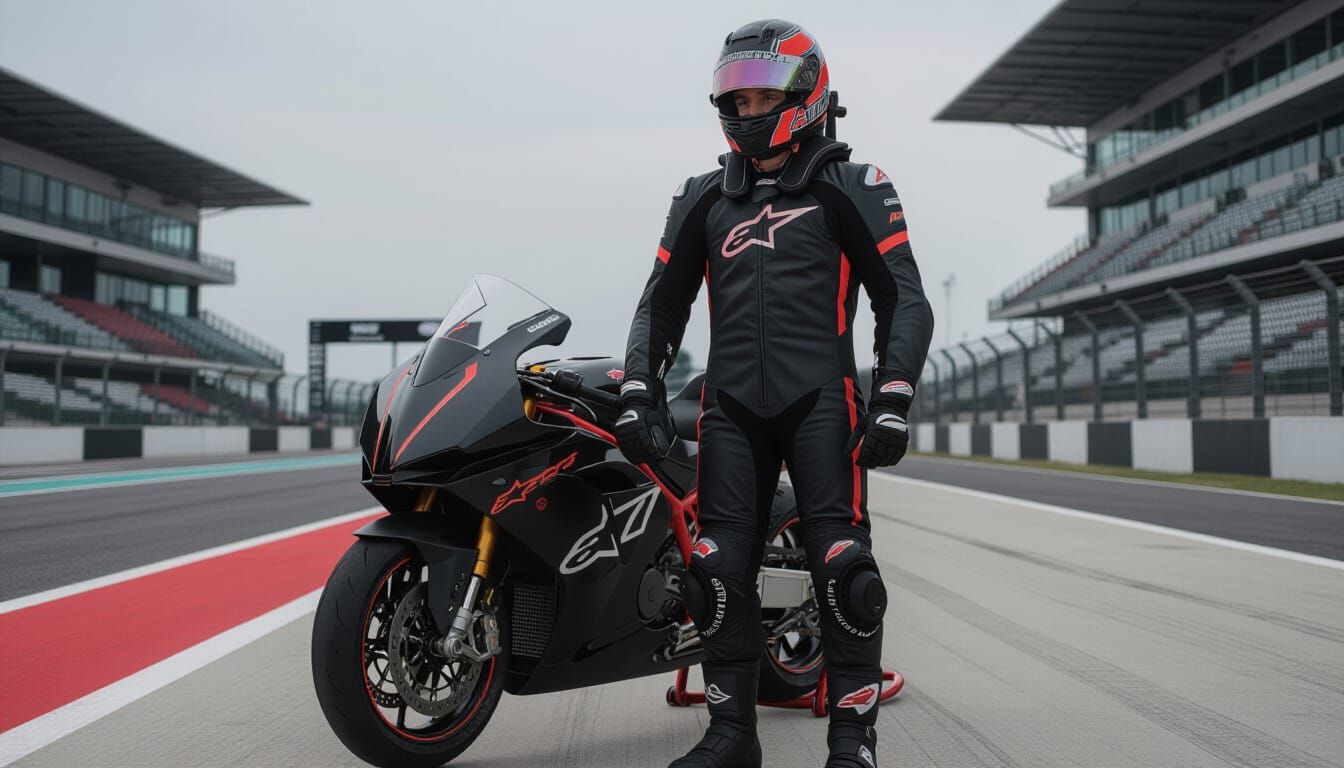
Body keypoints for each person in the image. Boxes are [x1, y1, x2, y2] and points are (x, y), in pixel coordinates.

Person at [614, 18, 934, 768]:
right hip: (732, 410)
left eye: (759, 98)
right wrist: (638, 389)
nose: (744, 112)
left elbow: (905, 299)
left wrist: (892, 393)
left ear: (803, 92)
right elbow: (659, 304)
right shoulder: (701, 197)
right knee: (714, 574)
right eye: (735, 97)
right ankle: (731, 738)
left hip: (824, 403)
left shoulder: (855, 186)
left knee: (844, 572)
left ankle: (852, 744)